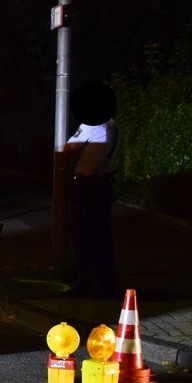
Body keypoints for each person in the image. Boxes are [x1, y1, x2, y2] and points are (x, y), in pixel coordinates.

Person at [64, 119, 120, 298]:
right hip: (103, 186)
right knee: (102, 238)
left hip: (86, 187)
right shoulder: (114, 127)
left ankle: (83, 285)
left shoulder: (92, 124)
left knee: (82, 237)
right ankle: (106, 284)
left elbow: (68, 149)